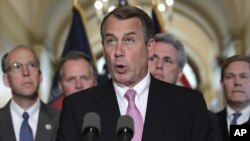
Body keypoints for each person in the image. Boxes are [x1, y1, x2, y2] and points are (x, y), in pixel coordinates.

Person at [56, 6, 211, 141]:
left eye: (129, 40)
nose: (118, 52)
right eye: (111, 41)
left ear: (150, 48)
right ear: (103, 50)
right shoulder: (78, 107)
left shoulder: (189, 105)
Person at [148, 32, 222, 141]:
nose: (159, 65)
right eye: (153, 58)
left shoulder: (203, 118)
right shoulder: (123, 104)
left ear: (179, 73)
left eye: (167, 60)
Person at [0, 45, 60, 141]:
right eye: (17, 66)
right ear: (6, 79)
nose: (26, 72)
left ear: (40, 76)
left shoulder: (62, 120)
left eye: (31, 65)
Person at [216, 55, 250, 141]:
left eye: (243, 76)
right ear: (222, 84)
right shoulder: (208, 123)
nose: (237, 82)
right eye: (230, 77)